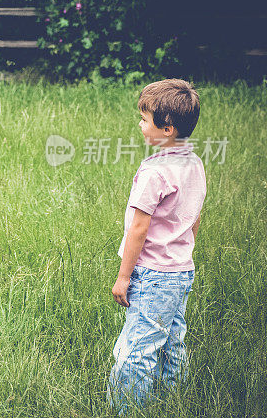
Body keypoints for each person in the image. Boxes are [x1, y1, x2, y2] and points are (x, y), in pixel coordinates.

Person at [107, 79, 206, 413]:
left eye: (144, 119)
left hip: (153, 274)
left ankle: (127, 409)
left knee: (136, 349)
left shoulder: (154, 172)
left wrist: (124, 276)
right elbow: (193, 217)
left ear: (167, 129)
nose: (140, 124)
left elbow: (138, 229)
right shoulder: (195, 164)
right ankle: (173, 399)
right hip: (181, 270)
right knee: (171, 343)